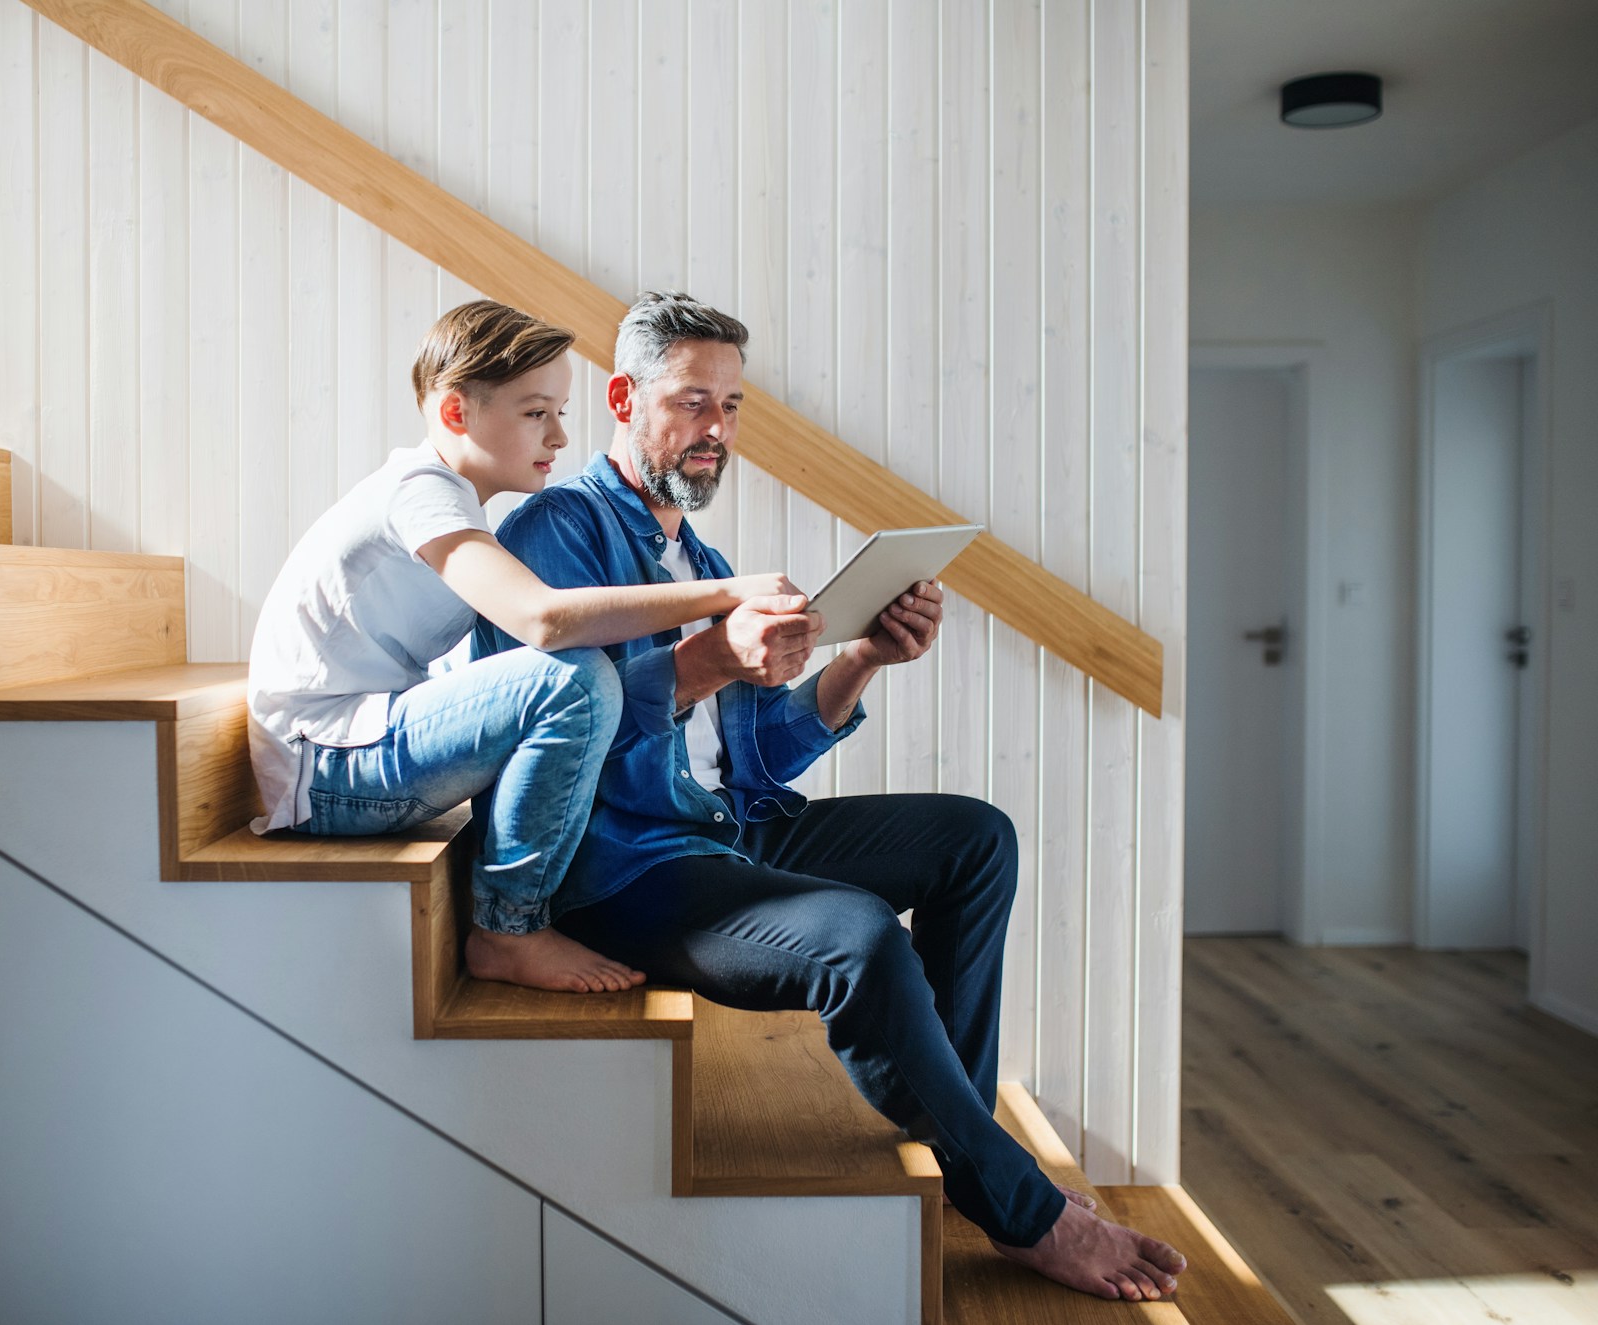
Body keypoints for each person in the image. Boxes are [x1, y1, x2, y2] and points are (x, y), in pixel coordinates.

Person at [474, 290, 1189, 1303]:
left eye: (731, 405)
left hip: (736, 830)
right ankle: (1019, 1203)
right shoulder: (559, 528)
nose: (716, 428)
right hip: (630, 866)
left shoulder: (703, 560)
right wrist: (714, 656)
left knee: (975, 839)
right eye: (690, 402)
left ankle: (959, 1127)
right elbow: (549, 729)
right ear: (624, 397)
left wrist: (860, 658)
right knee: (856, 937)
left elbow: (754, 763)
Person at [247, 299, 797, 996]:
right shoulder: (421, 490)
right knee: (573, 678)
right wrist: (727, 594)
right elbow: (544, 619)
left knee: (567, 680)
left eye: (561, 411)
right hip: (326, 770)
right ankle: (509, 927)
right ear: (455, 414)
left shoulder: (455, 505)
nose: (561, 436)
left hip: (350, 751)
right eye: (537, 412)